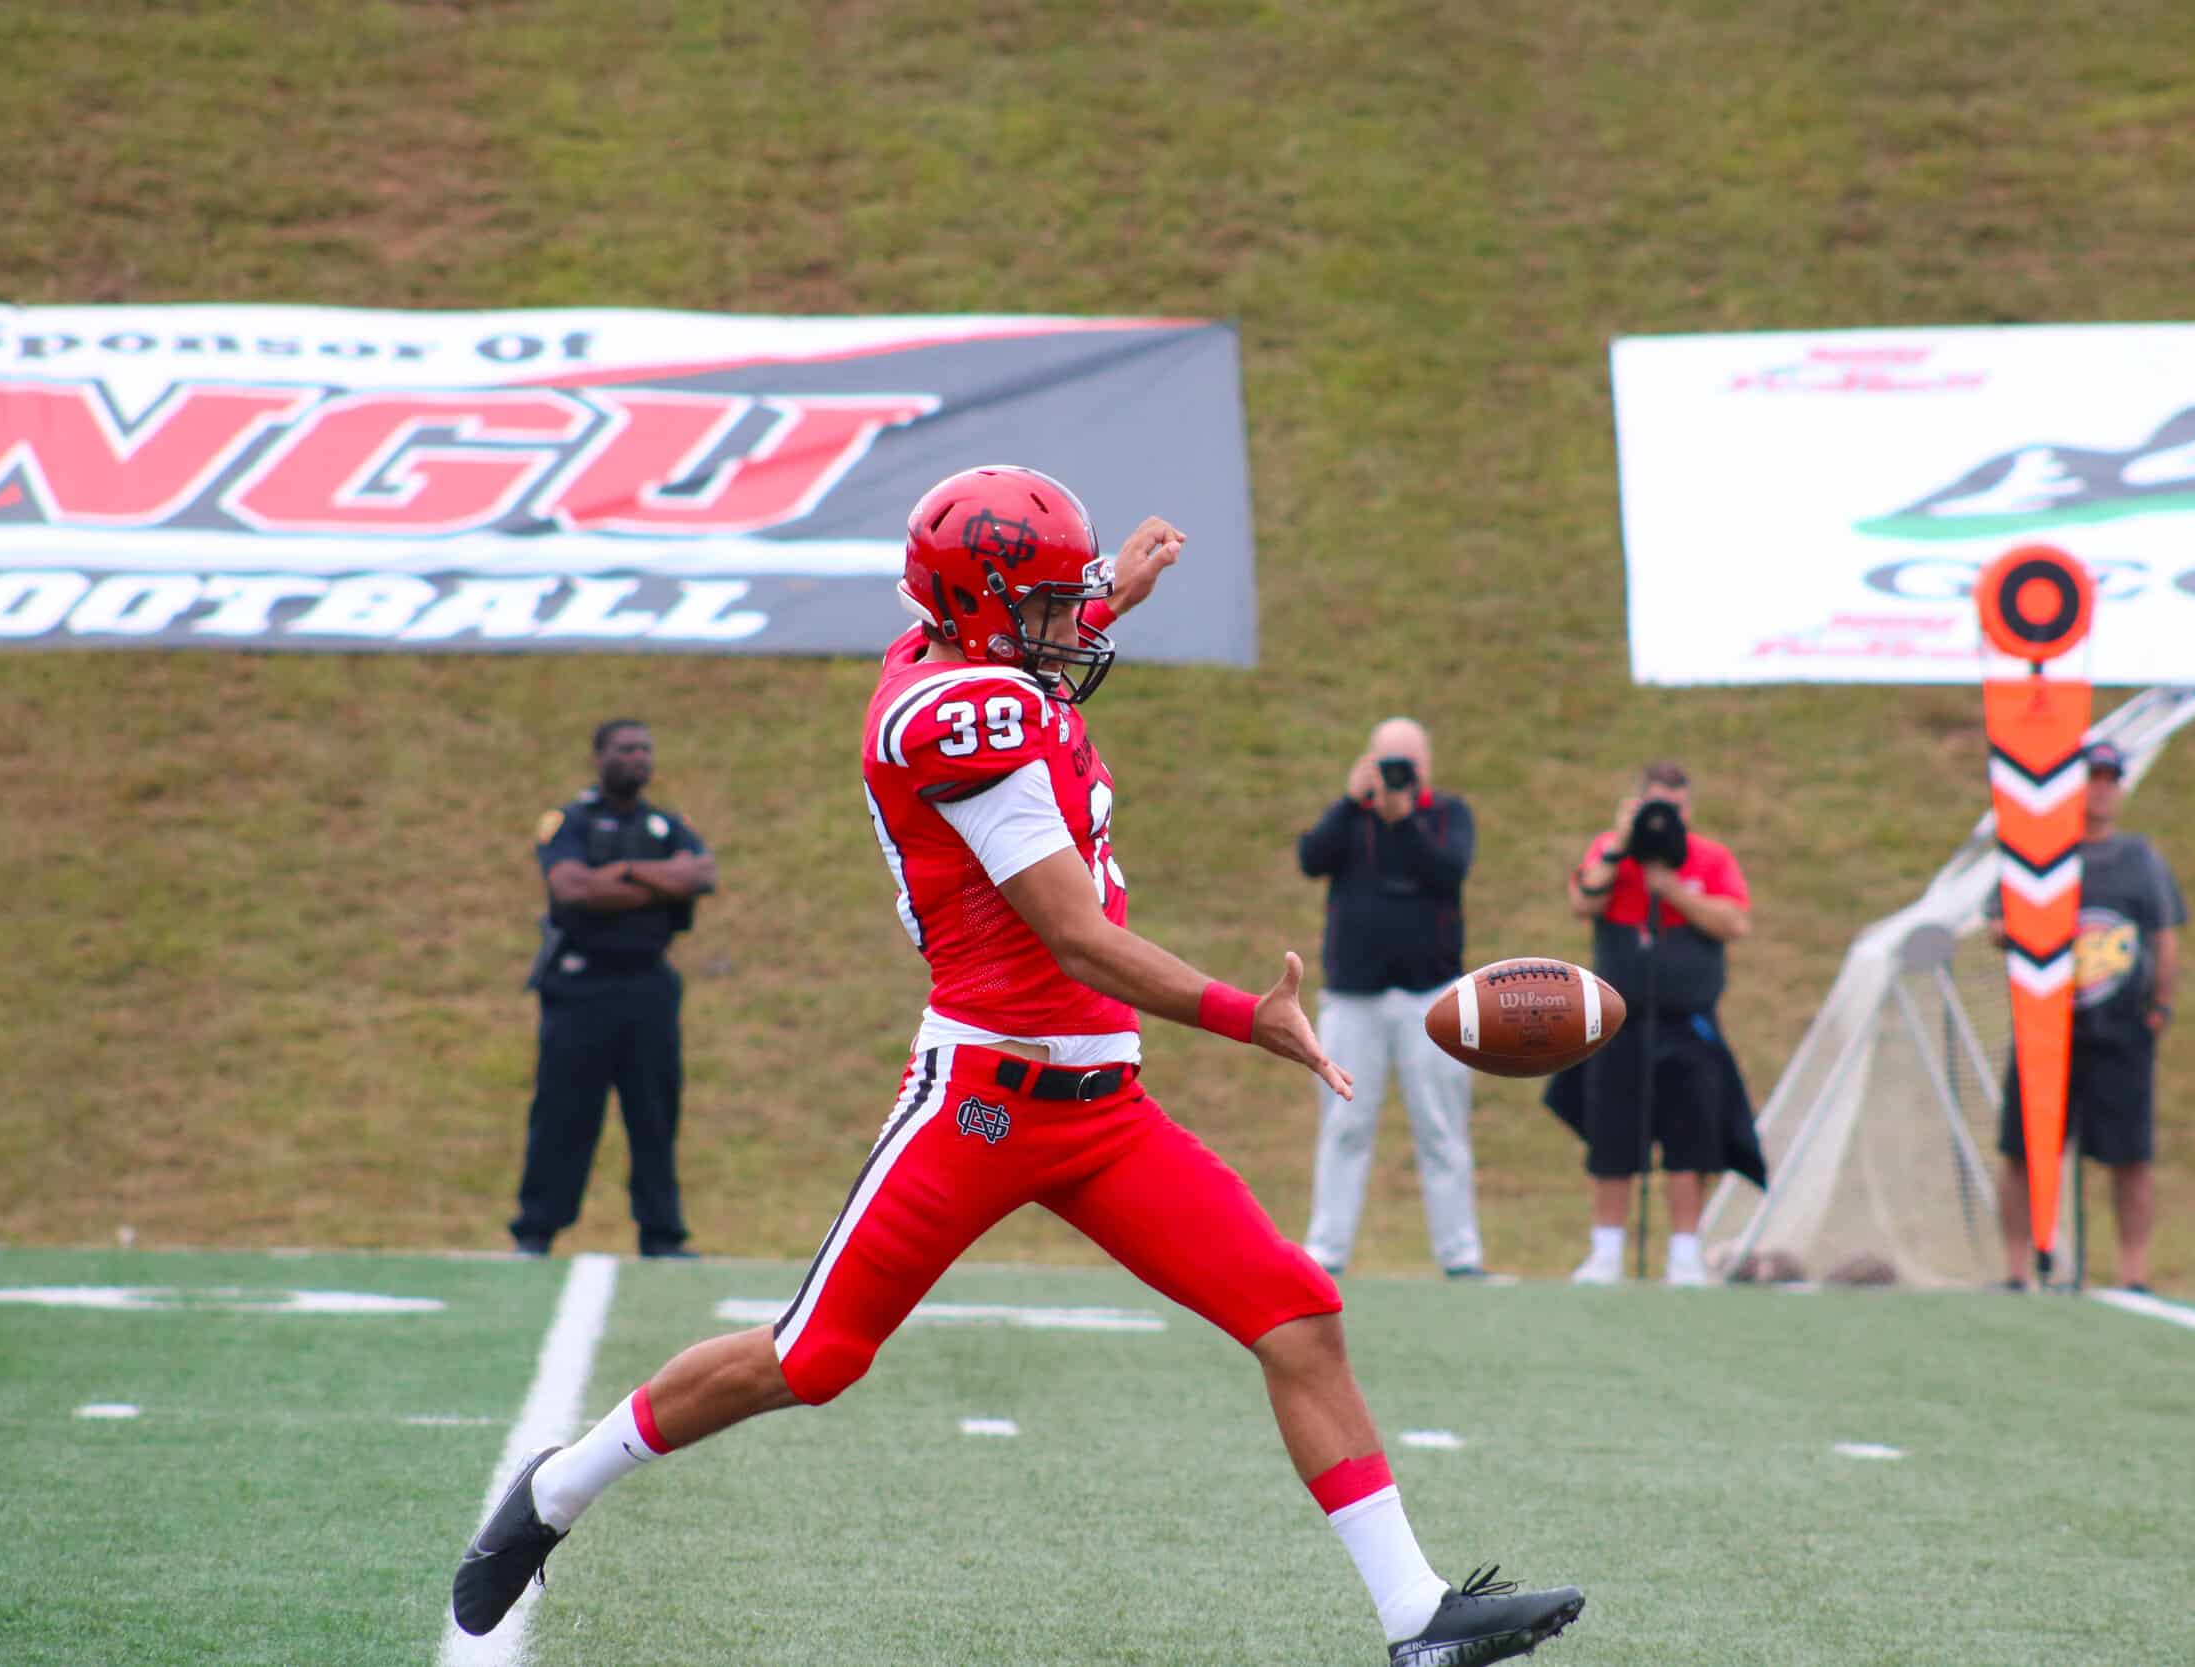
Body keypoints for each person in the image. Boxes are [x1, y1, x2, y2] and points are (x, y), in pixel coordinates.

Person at [451, 466, 1583, 1666]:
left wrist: (1109, 603)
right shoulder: (958, 722)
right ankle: (561, 1486)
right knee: (810, 1357)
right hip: (981, 1102)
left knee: (1298, 1315)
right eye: (1045, 605)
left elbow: (1014, 650)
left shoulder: (963, 653)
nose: (1066, 623)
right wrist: (1242, 1012)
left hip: (1107, 1111)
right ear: (980, 609)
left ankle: (1416, 1617)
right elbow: (1075, 933)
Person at [1545, 761, 1764, 1287]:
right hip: (1618, 1023)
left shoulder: (1709, 858)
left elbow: (1734, 921)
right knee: (1612, 1134)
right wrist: (1623, 847)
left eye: (1676, 807)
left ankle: (1686, 1254)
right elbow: (1584, 899)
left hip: (1687, 1024)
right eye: (1656, 806)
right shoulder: (1612, 851)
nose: (1666, 819)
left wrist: (1673, 890)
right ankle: (1606, 1253)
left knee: (1693, 1139)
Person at [508, 719, 717, 1260]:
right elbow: (573, 890)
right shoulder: (570, 822)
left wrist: (622, 873)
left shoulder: (667, 825)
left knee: (654, 1111)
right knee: (564, 1111)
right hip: (581, 987)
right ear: (599, 756)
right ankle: (536, 1231)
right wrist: (655, 881)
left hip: (648, 983)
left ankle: (662, 1234)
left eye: (645, 749)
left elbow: (700, 877)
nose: (638, 757)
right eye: (625, 749)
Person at [1992, 739, 2185, 1293]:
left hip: (2120, 1028)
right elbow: (1998, 921)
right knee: (2025, 1150)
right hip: (2046, 1027)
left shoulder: (2140, 860)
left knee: (2130, 1155)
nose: (2101, 787)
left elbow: (2165, 936)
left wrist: (2161, 1004)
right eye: (2091, 775)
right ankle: (2016, 1267)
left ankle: (2132, 1273)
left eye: (2110, 777)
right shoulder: (2038, 851)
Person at [1296, 718, 1485, 1279]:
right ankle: (1326, 1251)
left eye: (1409, 763)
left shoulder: (1449, 815)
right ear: (1368, 763)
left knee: (1442, 1128)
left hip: (1434, 997)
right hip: (1354, 996)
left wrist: (1404, 821)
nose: (1400, 775)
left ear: (1427, 766)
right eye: (1388, 762)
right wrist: (1349, 803)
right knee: (1344, 1125)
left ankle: (1460, 1254)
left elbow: (1450, 872)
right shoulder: (1351, 818)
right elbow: (1310, 859)